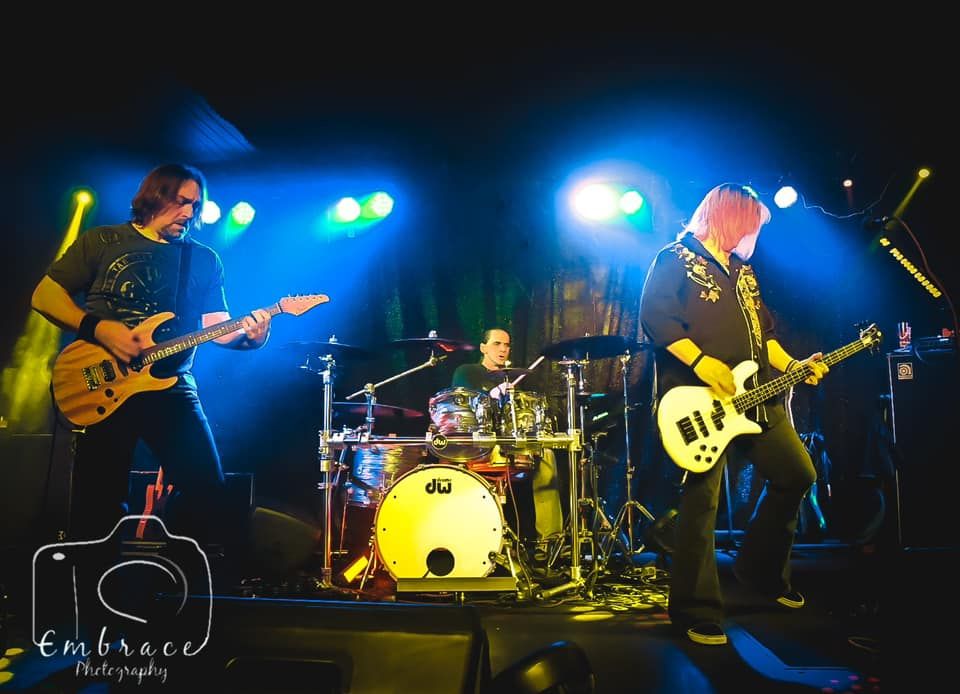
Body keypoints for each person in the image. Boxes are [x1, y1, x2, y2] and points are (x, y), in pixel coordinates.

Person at [31, 163, 271, 548]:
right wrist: (98, 328)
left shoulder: (203, 259)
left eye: (195, 205)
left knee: (209, 491)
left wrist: (252, 338)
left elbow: (217, 326)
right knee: (98, 506)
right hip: (103, 383)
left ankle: (185, 579)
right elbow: (45, 296)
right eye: (181, 202)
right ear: (155, 197)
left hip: (171, 389)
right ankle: (94, 584)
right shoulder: (103, 240)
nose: (189, 213)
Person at [639, 183, 829, 646]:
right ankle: (695, 609)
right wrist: (703, 362)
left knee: (797, 475)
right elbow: (656, 320)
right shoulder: (675, 259)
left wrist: (794, 366)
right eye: (749, 226)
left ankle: (760, 571)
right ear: (728, 218)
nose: (752, 237)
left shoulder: (743, 272)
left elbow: (765, 337)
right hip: (700, 401)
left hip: (758, 398)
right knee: (701, 501)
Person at [451, 328, 563, 564]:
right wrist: (491, 395)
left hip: (509, 441)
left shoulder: (511, 379)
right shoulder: (467, 372)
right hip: (479, 442)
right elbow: (464, 406)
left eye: (507, 345)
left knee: (547, 454)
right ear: (483, 347)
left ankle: (548, 543)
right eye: (497, 343)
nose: (503, 349)